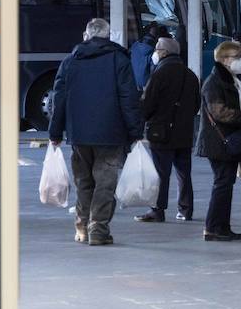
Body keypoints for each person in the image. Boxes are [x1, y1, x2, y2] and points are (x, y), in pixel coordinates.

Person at [49, 17, 143, 246]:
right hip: (111, 134)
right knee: (105, 183)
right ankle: (98, 229)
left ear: (87, 35)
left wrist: (55, 132)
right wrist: (135, 131)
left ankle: (82, 227)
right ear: (108, 36)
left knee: (84, 182)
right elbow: (128, 98)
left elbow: (58, 98)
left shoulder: (70, 61)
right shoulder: (119, 60)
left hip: (79, 134)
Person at [135, 37, 200, 224]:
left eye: (157, 49)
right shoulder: (190, 75)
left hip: (160, 132)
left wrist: (144, 121)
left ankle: (158, 210)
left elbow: (147, 104)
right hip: (185, 133)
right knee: (184, 173)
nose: (155, 52)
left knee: (161, 174)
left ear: (164, 52)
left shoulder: (159, 74)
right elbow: (196, 105)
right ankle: (186, 210)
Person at [196, 39, 241, 242]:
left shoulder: (229, 79)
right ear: (224, 59)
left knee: (225, 183)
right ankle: (213, 227)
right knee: (222, 183)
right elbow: (219, 112)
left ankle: (221, 226)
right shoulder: (214, 83)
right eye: (237, 57)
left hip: (226, 140)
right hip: (219, 141)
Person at [130, 23, 171, 91]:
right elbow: (154, 69)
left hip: (134, 82)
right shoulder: (156, 50)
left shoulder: (134, 46)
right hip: (147, 84)